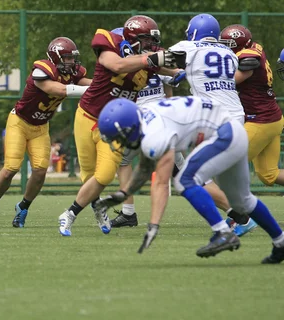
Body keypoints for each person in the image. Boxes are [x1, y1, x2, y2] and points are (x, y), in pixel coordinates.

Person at [95, 97, 284, 263]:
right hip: (233, 132)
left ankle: (222, 232)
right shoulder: (146, 119)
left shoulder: (154, 133)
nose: (118, 143)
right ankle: (280, 241)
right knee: (242, 201)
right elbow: (145, 167)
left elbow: (161, 181)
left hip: (224, 134)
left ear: (129, 128)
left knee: (184, 180)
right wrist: (123, 193)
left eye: (118, 137)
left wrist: (153, 225)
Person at [58, 15, 176, 237]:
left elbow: (165, 68)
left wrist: (180, 71)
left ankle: (69, 214)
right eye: (147, 41)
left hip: (113, 125)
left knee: (104, 176)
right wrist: (151, 59)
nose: (151, 46)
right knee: (88, 174)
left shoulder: (144, 60)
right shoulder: (108, 45)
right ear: (132, 38)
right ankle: (97, 207)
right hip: (88, 115)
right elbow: (117, 64)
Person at [0, 37, 91, 227]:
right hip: (19, 122)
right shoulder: (42, 70)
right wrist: (92, 90)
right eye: (67, 58)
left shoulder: (72, 73)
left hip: (40, 127)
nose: (71, 62)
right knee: (10, 168)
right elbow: (59, 89)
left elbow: (91, 83)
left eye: (72, 58)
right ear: (55, 58)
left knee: (39, 172)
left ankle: (23, 207)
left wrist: (106, 86)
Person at [169, 15, 258, 236]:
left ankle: (242, 218)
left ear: (194, 32)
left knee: (190, 176)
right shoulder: (227, 52)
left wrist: (142, 60)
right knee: (224, 178)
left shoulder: (189, 46)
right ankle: (243, 217)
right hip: (236, 115)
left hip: (213, 119)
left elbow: (159, 59)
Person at [109, 27, 186, 228]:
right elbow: (169, 85)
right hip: (155, 119)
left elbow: (169, 82)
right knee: (183, 172)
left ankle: (232, 212)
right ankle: (231, 212)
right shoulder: (151, 58)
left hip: (148, 120)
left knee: (184, 174)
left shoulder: (131, 61)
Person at [220, 25, 284, 188]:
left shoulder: (249, 56)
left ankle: (237, 212)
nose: (224, 49)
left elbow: (247, 63)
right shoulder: (254, 47)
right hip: (272, 118)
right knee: (269, 174)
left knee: (225, 166)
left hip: (261, 120)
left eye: (228, 46)